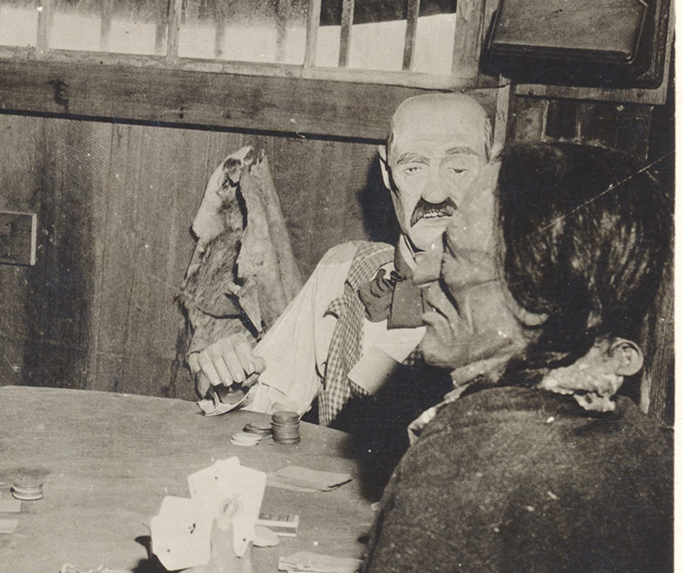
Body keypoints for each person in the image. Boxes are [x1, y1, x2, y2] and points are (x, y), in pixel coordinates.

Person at [95, 143, 671, 573]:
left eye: (452, 254)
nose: (419, 269)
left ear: (537, 302)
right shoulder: (648, 449)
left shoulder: (470, 473)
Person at [188, 93, 496, 448]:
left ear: (492, 166)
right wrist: (233, 385)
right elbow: (267, 398)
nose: (435, 192)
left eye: (458, 169)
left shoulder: (522, 297)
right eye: (413, 168)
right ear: (386, 171)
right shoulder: (344, 270)